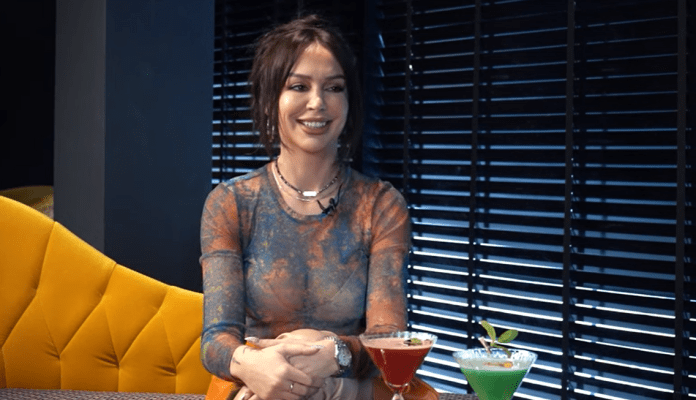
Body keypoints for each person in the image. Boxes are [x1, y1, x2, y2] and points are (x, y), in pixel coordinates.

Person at [199, 14, 411, 400]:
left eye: (334, 87)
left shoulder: (381, 205)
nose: (317, 102)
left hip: (349, 389)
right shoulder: (230, 203)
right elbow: (216, 341)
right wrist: (257, 365)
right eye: (299, 86)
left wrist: (333, 353)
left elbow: (390, 339)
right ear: (269, 100)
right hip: (257, 386)